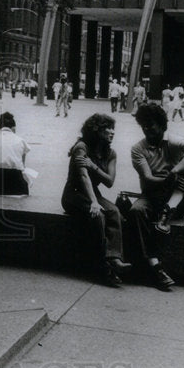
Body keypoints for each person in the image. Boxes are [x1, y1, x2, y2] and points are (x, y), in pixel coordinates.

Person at [129, 104, 184, 290]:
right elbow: (148, 179)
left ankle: (168, 211)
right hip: (153, 195)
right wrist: (171, 180)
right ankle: (155, 265)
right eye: (144, 125)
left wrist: (175, 172)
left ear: (162, 125)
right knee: (135, 210)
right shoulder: (138, 149)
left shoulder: (174, 141)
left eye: (151, 125)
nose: (147, 129)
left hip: (179, 201)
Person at [61, 113, 132, 287]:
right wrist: (94, 202)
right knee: (98, 215)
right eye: (107, 128)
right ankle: (103, 267)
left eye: (113, 128)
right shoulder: (82, 147)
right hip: (74, 194)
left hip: (94, 193)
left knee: (114, 211)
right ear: (96, 130)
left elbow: (109, 181)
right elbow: (83, 177)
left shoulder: (110, 153)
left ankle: (114, 258)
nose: (112, 132)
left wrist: (93, 166)